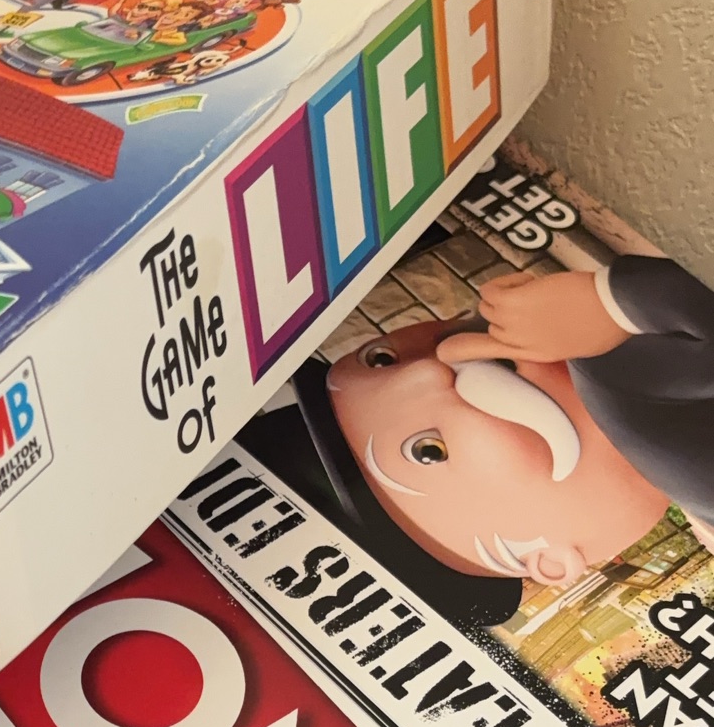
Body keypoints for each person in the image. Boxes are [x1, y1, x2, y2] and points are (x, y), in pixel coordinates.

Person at [266, 254, 714, 631]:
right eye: (428, 451)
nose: (425, 370)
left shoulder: (676, 457)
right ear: (551, 561)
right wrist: (608, 303)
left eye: (381, 359)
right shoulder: (617, 382)